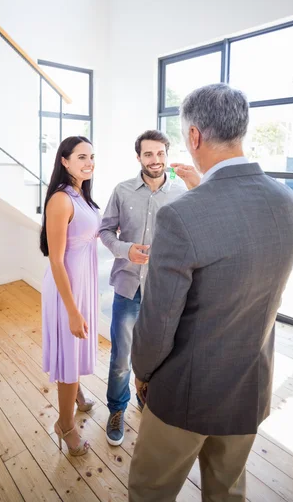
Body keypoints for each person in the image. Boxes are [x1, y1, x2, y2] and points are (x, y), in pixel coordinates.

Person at [129, 84, 293, 502]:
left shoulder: (180, 216)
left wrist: (142, 371)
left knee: (150, 490)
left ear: (193, 137)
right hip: (249, 384)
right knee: (227, 492)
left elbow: (158, 321)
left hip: (186, 392)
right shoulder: (286, 199)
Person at [99, 130, 186, 446]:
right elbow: (106, 231)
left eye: (160, 153)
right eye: (148, 154)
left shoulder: (181, 192)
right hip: (128, 285)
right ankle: (116, 409)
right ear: (139, 157)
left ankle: (146, 396)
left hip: (164, 289)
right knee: (122, 357)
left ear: (167, 154)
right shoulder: (122, 191)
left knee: (161, 354)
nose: (155, 160)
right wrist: (126, 250)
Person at [40, 135, 100, 456]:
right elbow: (56, 259)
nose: (89, 162)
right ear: (64, 161)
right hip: (67, 288)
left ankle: (75, 395)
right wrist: (73, 310)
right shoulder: (61, 199)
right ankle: (65, 425)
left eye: (91, 156)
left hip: (83, 283)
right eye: (81, 157)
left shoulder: (81, 194)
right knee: (69, 354)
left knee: (75, 350)